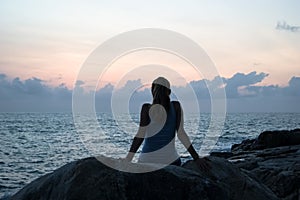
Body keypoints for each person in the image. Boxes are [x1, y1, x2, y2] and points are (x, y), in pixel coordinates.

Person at [125, 77, 210, 171]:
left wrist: (128, 159)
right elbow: (181, 134)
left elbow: (140, 136)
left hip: (147, 161)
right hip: (171, 161)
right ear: (169, 92)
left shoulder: (146, 108)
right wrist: (196, 158)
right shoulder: (176, 106)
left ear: (152, 92)